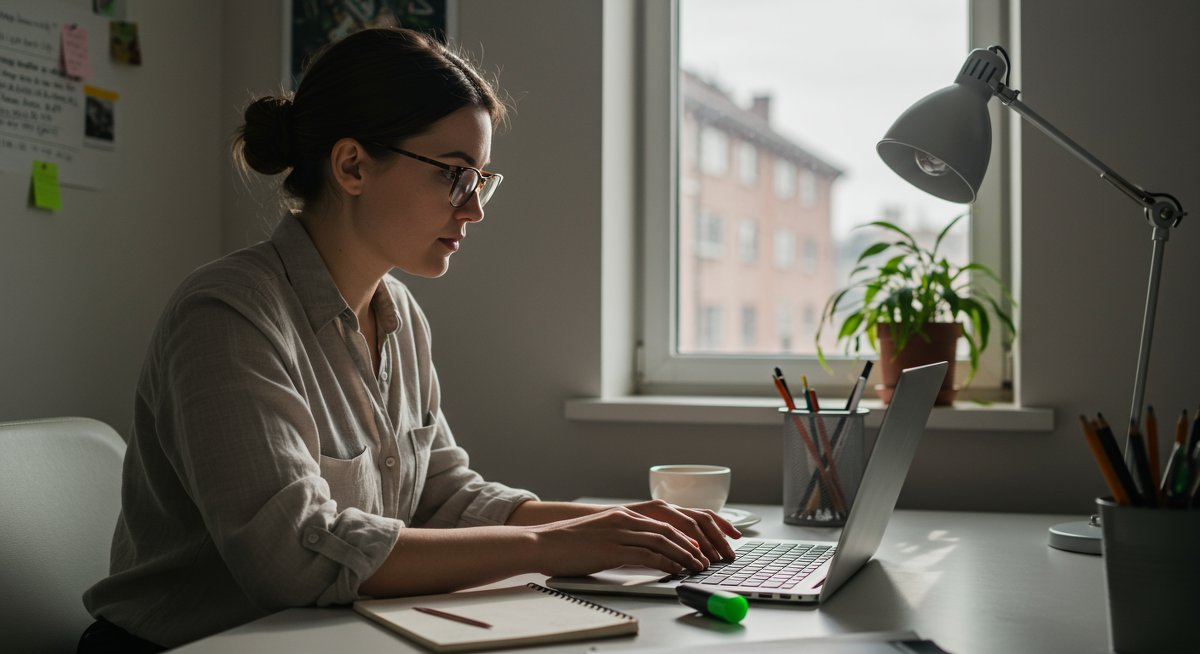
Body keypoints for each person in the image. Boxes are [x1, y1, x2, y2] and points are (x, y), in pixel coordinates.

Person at [78, 27, 739, 652]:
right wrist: (556, 544)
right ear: (352, 166)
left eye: (481, 179)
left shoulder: (401, 315)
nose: (474, 207)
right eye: (455, 173)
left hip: (330, 640)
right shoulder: (228, 315)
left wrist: (634, 526)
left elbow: (442, 499)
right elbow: (294, 556)